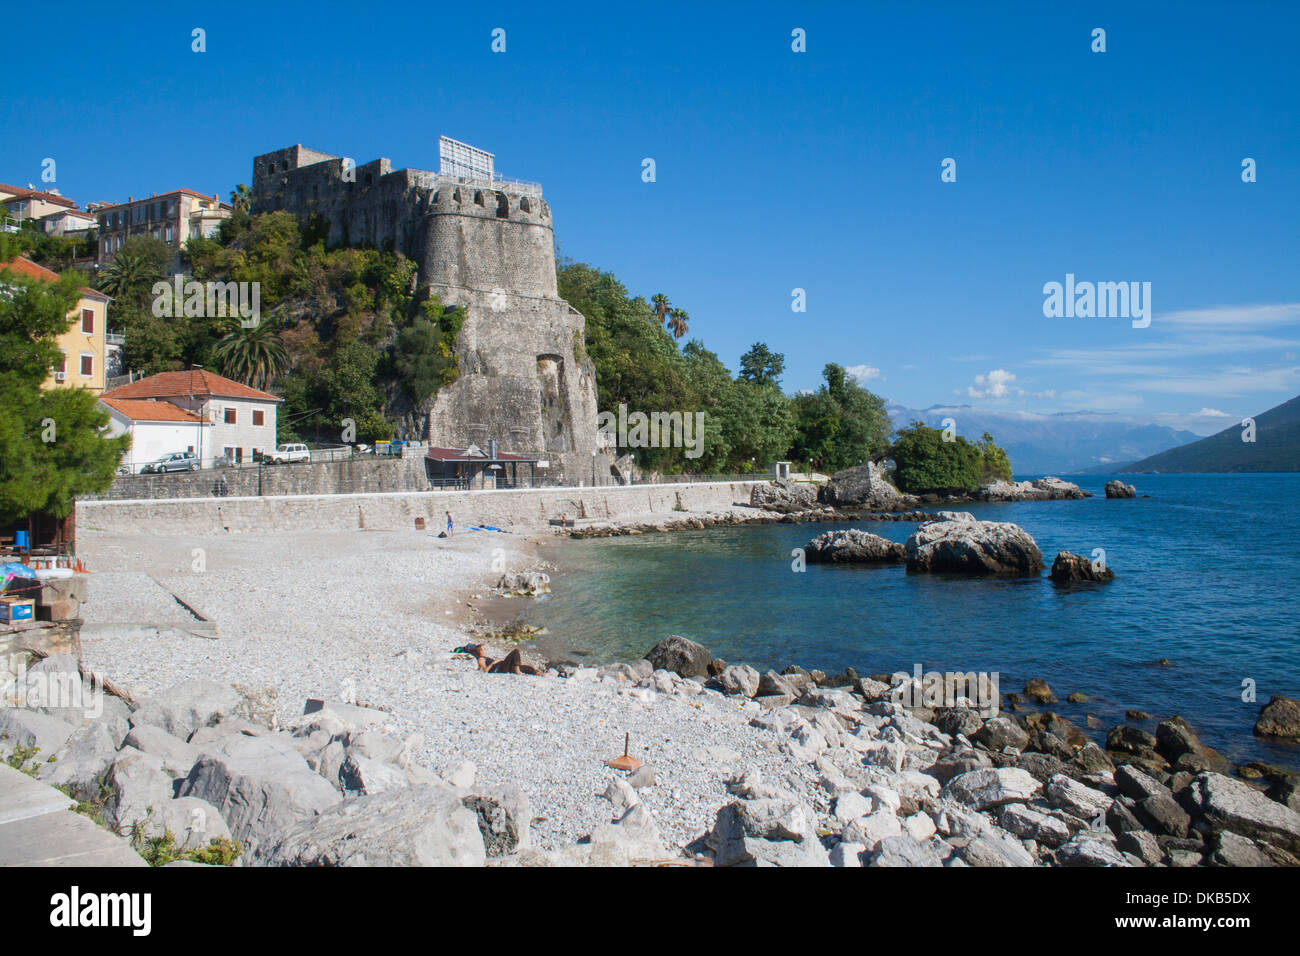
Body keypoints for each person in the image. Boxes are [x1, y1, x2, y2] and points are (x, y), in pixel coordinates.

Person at [455, 643, 541, 675]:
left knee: (528, 668)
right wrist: (494, 663)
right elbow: (485, 670)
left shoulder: (485, 657)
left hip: (503, 666)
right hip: (499, 668)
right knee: (515, 652)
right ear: (480, 651)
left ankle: (540, 674)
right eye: (484, 649)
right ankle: (517, 671)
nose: (486, 650)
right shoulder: (481, 659)